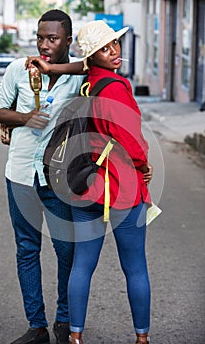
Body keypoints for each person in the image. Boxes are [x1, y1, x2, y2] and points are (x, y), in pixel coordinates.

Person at [26, 21, 153, 344]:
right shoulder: (114, 86)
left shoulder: (88, 83)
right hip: (122, 189)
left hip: (87, 188)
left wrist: (50, 65)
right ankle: (141, 338)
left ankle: (76, 336)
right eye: (104, 49)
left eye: (114, 44)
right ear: (93, 56)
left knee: (82, 265)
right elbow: (130, 139)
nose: (113, 52)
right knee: (135, 266)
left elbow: (81, 65)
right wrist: (143, 165)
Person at [0, 10, 84, 344]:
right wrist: (23, 117)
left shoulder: (78, 76)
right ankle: (37, 326)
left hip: (58, 179)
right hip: (20, 175)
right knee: (27, 249)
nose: (44, 45)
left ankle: (65, 321)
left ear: (68, 41)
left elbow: (99, 67)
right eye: (40, 37)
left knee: (66, 251)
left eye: (53, 39)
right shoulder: (18, 69)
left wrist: (54, 68)